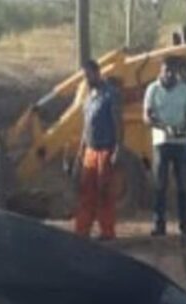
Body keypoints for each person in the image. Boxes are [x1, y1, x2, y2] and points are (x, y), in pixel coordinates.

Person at [144, 57, 186, 236]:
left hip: (180, 143)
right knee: (160, 185)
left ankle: (185, 224)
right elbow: (146, 116)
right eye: (166, 70)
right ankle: (159, 225)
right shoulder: (152, 89)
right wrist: (161, 126)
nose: (169, 74)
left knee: (183, 185)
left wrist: (184, 127)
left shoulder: (185, 90)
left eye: (172, 71)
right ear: (160, 70)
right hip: (160, 142)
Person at [73, 59, 122, 241]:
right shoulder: (89, 97)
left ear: (97, 72)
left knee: (104, 193)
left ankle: (107, 232)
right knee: (86, 192)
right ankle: (82, 231)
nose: (86, 79)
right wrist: (80, 152)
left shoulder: (111, 94)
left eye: (88, 75)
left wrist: (118, 149)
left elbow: (118, 123)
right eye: (84, 76)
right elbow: (86, 127)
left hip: (106, 150)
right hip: (90, 152)